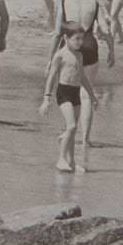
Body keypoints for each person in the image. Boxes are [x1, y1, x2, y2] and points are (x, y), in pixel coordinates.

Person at [51, 0, 109, 143]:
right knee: (86, 94)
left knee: (68, 89)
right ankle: (85, 139)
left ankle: (69, 129)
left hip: (69, 47)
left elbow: (57, 31)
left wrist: (51, 57)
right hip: (89, 45)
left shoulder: (65, 2)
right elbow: (105, 30)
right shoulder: (94, 4)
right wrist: (112, 50)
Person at [40, 25, 99, 172]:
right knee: (71, 126)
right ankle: (61, 159)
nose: (80, 42)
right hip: (63, 93)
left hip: (75, 93)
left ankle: (71, 162)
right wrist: (46, 98)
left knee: (72, 130)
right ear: (66, 38)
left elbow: (83, 77)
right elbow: (52, 77)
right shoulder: (60, 55)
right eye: (76, 39)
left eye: (82, 39)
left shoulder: (79, 55)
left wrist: (92, 96)